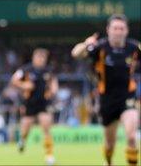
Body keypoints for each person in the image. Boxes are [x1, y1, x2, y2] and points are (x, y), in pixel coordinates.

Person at [72, 14, 139, 166]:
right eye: (115, 28)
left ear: (126, 31)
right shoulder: (99, 47)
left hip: (128, 96)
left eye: (121, 28)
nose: (118, 31)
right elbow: (76, 53)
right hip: (107, 99)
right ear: (108, 30)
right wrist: (85, 43)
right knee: (110, 143)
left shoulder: (134, 47)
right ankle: (108, 162)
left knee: (131, 137)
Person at [11, 48, 58, 165]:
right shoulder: (25, 69)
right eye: (39, 57)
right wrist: (24, 85)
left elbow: (54, 82)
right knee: (25, 130)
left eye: (43, 58)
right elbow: (14, 80)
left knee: (46, 128)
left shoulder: (48, 71)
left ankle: (49, 155)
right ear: (34, 58)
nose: (41, 60)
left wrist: (53, 90)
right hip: (29, 103)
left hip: (44, 103)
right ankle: (22, 141)